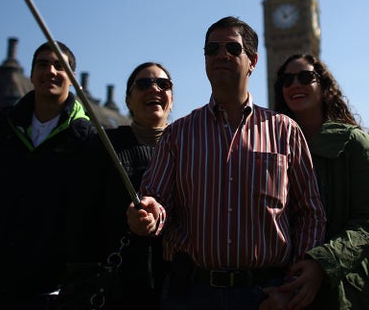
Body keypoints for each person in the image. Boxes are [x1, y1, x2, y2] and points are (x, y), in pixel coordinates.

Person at [126, 16, 326, 310]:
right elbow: (156, 198)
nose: (221, 55)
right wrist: (150, 214)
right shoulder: (177, 134)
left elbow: (310, 213)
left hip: (266, 294)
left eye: (232, 48)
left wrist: (292, 286)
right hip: (192, 293)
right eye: (212, 49)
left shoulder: (284, 131)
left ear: (253, 61)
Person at [0, 41, 98, 310]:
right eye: (42, 65)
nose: (50, 71)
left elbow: (93, 211)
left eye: (59, 66)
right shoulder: (1, 127)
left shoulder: (86, 139)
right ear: (31, 74)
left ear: (73, 78)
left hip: (47, 289)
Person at [266, 53, 369, 310]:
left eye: (305, 77)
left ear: (323, 86)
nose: (295, 84)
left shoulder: (355, 142)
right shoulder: (273, 147)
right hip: (289, 287)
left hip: (347, 285)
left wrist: (322, 264)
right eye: (286, 80)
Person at [64, 62, 174, 309]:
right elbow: (80, 220)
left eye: (163, 84)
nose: (154, 88)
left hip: (176, 288)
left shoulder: (190, 150)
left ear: (171, 99)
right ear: (128, 100)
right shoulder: (104, 146)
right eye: (144, 84)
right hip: (116, 290)